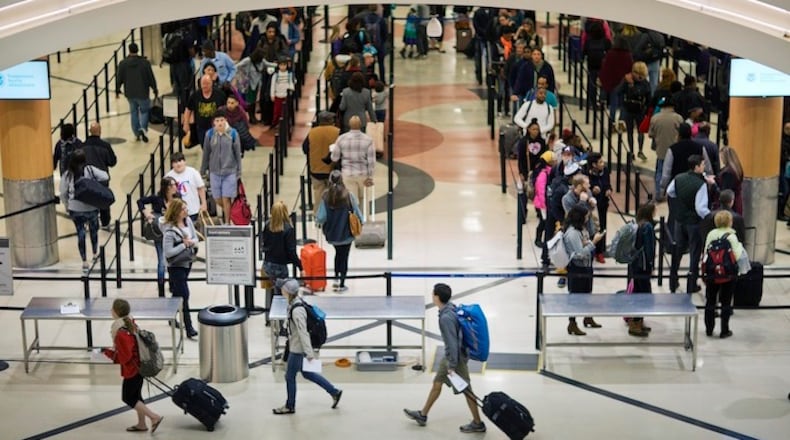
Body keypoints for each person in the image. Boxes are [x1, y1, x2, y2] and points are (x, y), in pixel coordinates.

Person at [404, 283, 486, 433]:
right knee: (437, 383)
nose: (432, 296)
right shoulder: (450, 308)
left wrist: (452, 365)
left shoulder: (446, 318)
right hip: (451, 356)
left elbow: (452, 343)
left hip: (455, 358)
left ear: (436, 297)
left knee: (467, 389)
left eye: (433, 294)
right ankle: (423, 415)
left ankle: (478, 423)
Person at [272, 279, 343, 415]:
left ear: (287, 291)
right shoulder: (295, 303)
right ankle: (334, 392)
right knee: (307, 373)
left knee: (289, 376)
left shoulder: (297, 310)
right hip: (297, 346)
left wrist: (309, 353)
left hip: (297, 349)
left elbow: (303, 332)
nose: (281, 290)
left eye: (283, 288)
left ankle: (290, 405)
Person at [101, 298, 164, 433]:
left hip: (132, 370)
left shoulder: (120, 332)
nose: (110, 311)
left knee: (128, 397)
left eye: (112, 309)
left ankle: (154, 417)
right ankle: (142, 424)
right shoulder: (130, 322)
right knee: (137, 396)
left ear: (116, 312)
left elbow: (125, 357)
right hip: (140, 366)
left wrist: (106, 353)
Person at [667, 154, 715, 294]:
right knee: (694, 253)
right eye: (702, 164)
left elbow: (671, 192)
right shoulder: (700, 185)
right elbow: (701, 208)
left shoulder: (679, 178)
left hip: (680, 220)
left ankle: (673, 280)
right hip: (694, 223)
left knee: (678, 251)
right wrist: (710, 217)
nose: (704, 166)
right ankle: (692, 284)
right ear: (696, 167)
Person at [59, 149, 109, 271]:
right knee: (93, 230)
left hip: (75, 208)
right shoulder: (90, 169)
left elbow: (62, 193)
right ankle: (95, 253)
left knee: (80, 233)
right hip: (91, 206)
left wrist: (67, 205)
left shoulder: (67, 174)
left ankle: (84, 261)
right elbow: (106, 176)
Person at [315, 171, 363, 292]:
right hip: (347, 234)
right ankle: (342, 283)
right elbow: (357, 213)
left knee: (338, 254)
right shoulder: (349, 196)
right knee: (344, 256)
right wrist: (361, 222)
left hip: (333, 235)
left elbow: (321, 217)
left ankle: (336, 277)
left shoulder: (326, 197)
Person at [703, 210, 747, 338]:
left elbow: (706, 251)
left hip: (712, 273)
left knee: (710, 301)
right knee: (726, 302)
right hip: (728, 274)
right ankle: (724, 330)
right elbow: (738, 255)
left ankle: (709, 329)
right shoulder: (732, 236)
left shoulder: (711, 234)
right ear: (730, 222)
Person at [562, 203, 605, 335]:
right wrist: (593, 243)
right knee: (576, 297)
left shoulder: (581, 229)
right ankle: (572, 323)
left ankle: (588, 317)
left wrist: (587, 242)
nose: (588, 219)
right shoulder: (572, 233)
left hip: (586, 267)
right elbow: (579, 254)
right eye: (586, 217)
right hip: (577, 269)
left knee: (587, 293)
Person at [137, 176, 180, 296]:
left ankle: (172, 284)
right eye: (171, 185)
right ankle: (161, 287)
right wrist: (146, 213)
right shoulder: (157, 198)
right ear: (166, 188)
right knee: (162, 260)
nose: (174, 187)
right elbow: (140, 201)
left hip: (173, 233)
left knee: (172, 259)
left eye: (175, 184)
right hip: (160, 232)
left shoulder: (178, 197)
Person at [162, 198, 199, 338]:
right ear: (177, 211)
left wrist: (190, 243)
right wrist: (184, 245)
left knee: (178, 294)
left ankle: (170, 312)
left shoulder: (188, 221)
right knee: (184, 295)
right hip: (176, 266)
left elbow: (195, 238)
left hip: (187, 263)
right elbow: (168, 253)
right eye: (183, 209)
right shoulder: (170, 231)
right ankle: (189, 327)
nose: (186, 211)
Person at [200, 110, 242, 223]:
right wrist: (202, 170)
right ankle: (233, 212)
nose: (220, 123)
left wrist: (239, 171)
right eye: (217, 121)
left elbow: (237, 153)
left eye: (222, 120)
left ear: (226, 120)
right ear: (214, 122)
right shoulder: (209, 134)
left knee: (226, 197)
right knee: (217, 198)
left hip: (230, 171)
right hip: (214, 171)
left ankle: (227, 222)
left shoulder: (232, 134)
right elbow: (206, 153)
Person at [262, 201, 302, 313]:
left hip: (267, 265)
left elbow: (264, 244)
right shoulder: (288, 229)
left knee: (269, 291)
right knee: (282, 295)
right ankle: (280, 320)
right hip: (281, 267)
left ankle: (268, 316)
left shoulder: (267, 225)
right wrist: (300, 266)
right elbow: (291, 252)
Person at [626, 202, 657, 338]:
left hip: (635, 264)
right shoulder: (648, 227)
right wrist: (651, 264)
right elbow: (649, 248)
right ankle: (636, 324)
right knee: (643, 293)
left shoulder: (638, 224)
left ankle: (637, 321)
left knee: (638, 291)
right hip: (643, 265)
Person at [115, 42, 158, 142]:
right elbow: (150, 77)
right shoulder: (144, 63)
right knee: (144, 111)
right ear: (137, 50)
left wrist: (117, 90)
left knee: (133, 112)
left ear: (129, 50)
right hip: (143, 91)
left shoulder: (123, 63)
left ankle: (136, 133)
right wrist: (154, 88)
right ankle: (143, 128)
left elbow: (119, 78)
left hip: (130, 92)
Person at [331, 115, 375, 204]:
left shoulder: (341, 138)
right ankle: (364, 217)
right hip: (363, 174)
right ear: (361, 125)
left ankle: (353, 217)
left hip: (348, 174)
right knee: (364, 201)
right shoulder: (368, 140)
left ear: (349, 125)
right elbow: (371, 161)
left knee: (351, 202)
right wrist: (370, 177)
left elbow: (334, 158)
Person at [81, 122, 117, 228]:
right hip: (102, 179)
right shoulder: (105, 146)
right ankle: (105, 221)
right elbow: (112, 162)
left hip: (88, 179)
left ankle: (89, 219)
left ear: (89, 132)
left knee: (88, 199)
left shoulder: (83, 146)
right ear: (100, 131)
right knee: (103, 199)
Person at [303, 111, 340, 204]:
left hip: (316, 169)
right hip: (332, 168)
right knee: (334, 194)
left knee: (318, 193)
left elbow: (305, 148)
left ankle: (319, 214)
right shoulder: (337, 132)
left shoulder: (312, 132)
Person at [183, 75, 227, 149]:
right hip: (201, 128)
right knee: (205, 147)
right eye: (203, 83)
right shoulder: (195, 95)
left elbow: (225, 109)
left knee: (216, 147)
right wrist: (186, 123)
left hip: (215, 127)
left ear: (211, 83)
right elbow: (188, 109)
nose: (205, 86)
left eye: (207, 83)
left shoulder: (220, 94)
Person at [166, 152, 207, 222]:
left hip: (193, 210)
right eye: (175, 162)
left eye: (180, 161)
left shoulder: (193, 172)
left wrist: (204, 203)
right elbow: (166, 194)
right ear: (172, 164)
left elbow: (200, 188)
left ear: (184, 161)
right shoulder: (168, 177)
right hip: (176, 213)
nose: (178, 164)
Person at [586, 152, 612, 262]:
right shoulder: (586, 174)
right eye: (600, 162)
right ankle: (590, 249)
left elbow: (607, 183)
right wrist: (591, 189)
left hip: (602, 203)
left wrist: (608, 190)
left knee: (602, 226)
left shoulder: (605, 171)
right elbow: (584, 187)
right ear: (594, 164)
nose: (603, 163)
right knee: (591, 227)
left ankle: (600, 251)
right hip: (590, 205)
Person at [532, 150, 554, 248]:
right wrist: (544, 204)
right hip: (542, 203)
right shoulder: (543, 174)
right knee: (543, 221)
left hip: (546, 202)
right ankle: (538, 238)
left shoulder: (550, 172)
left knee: (545, 221)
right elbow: (540, 191)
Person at [717, 146, 744, 215]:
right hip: (736, 201)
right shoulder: (736, 168)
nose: (721, 159)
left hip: (730, 204)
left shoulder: (728, 172)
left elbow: (724, 191)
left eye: (722, 157)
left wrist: (713, 184)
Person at [270, 56, 295, 127]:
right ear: (278, 65)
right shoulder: (275, 75)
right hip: (278, 96)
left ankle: (285, 124)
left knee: (285, 111)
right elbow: (273, 85)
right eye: (281, 65)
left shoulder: (289, 74)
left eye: (284, 65)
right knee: (277, 111)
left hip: (286, 96)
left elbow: (291, 83)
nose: (283, 67)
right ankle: (275, 123)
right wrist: (272, 94)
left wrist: (291, 88)